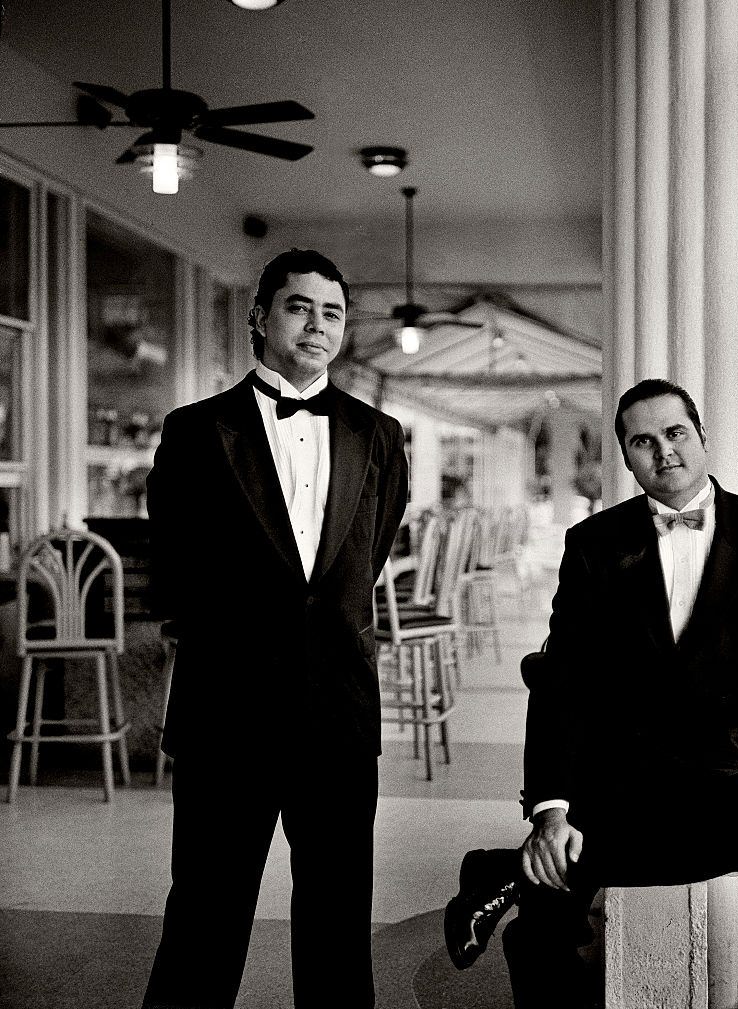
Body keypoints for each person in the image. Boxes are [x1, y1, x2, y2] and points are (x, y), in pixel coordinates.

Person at [444, 378, 738, 1008]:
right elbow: (560, 679)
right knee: (551, 910)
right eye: (643, 442)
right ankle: (536, 900)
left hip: (720, 756)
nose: (665, 452)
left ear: (702, 438)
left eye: (676, 433)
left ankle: (501, 873)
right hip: (615, 756)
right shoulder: (594, 543)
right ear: (627, 458)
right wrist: (551, 807)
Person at [142, 249, 408, 1008]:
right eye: (299, 307)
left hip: (340, 715)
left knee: (336, 923)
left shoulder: (380, 434)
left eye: (332, 312)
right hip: (227, 712)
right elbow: (174, 565)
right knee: (203, 917)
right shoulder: (194, 431)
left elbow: (366, 555)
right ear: (260, 317)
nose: (317, 325)